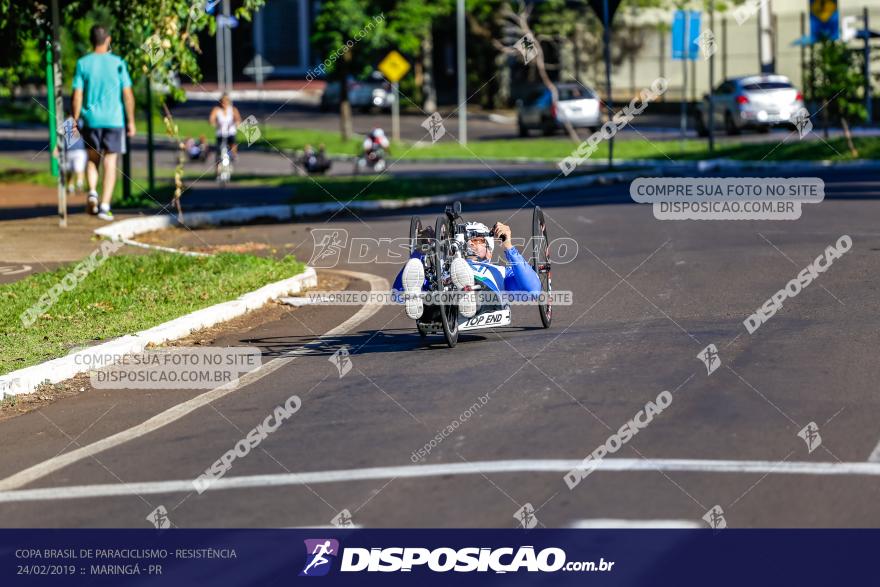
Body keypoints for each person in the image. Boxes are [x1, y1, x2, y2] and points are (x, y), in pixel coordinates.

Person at [393, 221, 541, 320]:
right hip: (438, 303)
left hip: (484, 301)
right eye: (466, 241)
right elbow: (397, 295)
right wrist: (421, 250)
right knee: (428, 276)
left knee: (470, 281)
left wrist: (508, 245)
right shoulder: (441, 266)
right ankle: (420, 297)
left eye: (477, 240)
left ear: (489, 250)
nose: (469, 243)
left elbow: (532, 290)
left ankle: (468, 293)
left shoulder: (500, 271)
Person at [72, 25, 136, 221]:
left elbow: (77, 95)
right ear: (107, 39)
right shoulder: (118, 63)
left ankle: (92, 191)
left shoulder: (83, 63)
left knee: (93, 159)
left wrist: (75, 120)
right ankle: (105, 206)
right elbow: (128, 94)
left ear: (92, 40)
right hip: (114, 120)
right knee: (110, 162)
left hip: (91, 120)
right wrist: (131, 120)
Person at [209, 93, 241, 169]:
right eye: (223, 102)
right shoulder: (217, 110)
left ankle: (233, 155)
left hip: (230, 132)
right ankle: (217, 171)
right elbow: (211, 119)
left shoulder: (233, 109)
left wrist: (236, 123)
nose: (224, 104)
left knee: (232, 143)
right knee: (218, 152)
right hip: (220, 133)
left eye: (226, 101)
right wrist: (214, 123)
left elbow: (238, 119)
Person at [63, 117, 87, 197]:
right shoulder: (67, 121)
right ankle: (74, 185)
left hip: (75, 150)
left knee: (75, 169)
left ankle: (75, 185)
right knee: (73, 169)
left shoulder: (80, 121)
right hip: (74, 150)